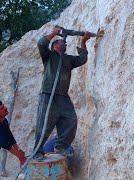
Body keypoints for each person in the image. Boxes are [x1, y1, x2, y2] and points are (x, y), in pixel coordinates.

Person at [34, 26, 92, 159]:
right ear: (55, 46)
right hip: (49, 94)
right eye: (61, 42)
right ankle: (37, 152)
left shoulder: (68, 60)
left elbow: (82, 59)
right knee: (45, 123)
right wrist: (54, 33)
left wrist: (83, 42)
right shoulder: (49, 56)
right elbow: (41, 43)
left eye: (64, 42)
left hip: (63, 96)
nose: (64, 43)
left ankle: (61, 146)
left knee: (71, 119)